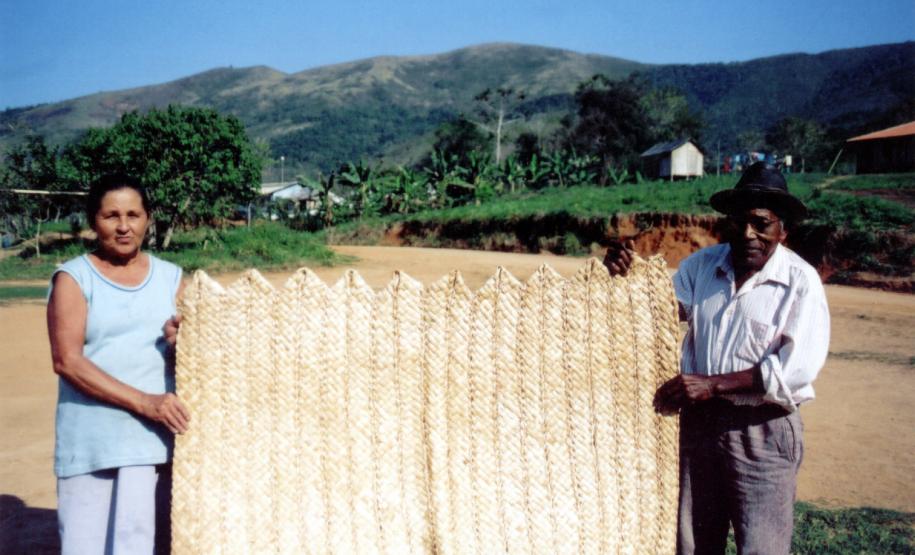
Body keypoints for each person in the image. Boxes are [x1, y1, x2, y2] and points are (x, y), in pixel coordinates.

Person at [604, 162, 829, 555]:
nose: (748, 234)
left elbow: (796, 369)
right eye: (739, 222)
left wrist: (713, 384)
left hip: (762, 428)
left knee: (761, 547)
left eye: (761, 223)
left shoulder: (800, 281)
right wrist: (622, 276)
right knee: (694, 542)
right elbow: (653, 311)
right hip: (700, 427)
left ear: (783, 229)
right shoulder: (701, 267)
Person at [47, 173, 190, 554]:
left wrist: (185, 342)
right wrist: (146, 403)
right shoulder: (74, 278)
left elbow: (200, 356)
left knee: (147, 545)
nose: (124, 226)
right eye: (112, 216)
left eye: (134, 214)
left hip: (156, 444)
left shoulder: (172, 278)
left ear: (148, 219)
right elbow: (67, 361)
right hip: (94, 443)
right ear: (94, 221)